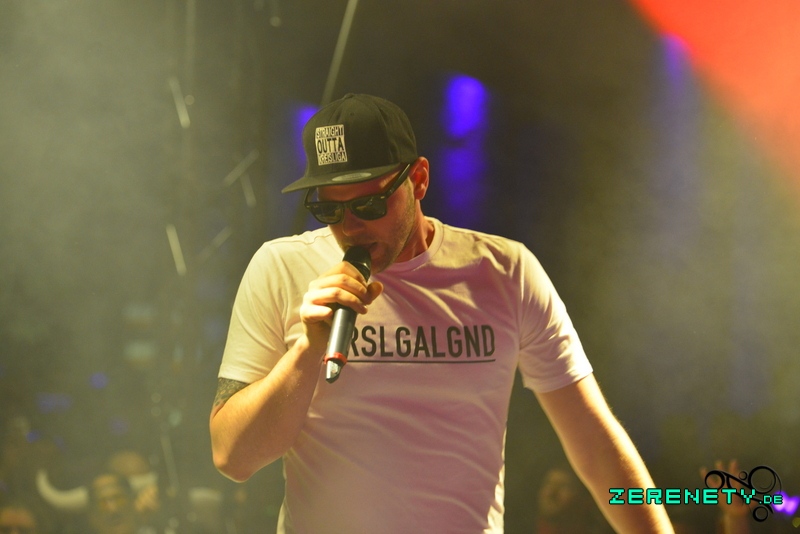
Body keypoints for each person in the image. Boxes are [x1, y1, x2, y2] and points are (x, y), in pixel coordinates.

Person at [209, 93, 674, 532]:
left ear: (418, 179)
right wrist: (307, 350)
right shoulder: (281, 268)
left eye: (369, 204)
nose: (349, 228)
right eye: (329, 210)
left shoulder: (506, 274)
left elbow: (596, 447)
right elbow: (234, 457)